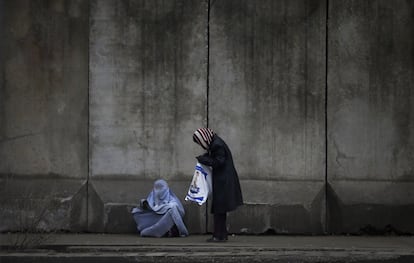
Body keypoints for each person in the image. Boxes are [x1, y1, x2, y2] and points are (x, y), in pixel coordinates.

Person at [193, 128, 243, 242]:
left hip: (223, 181)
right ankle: (221, 235)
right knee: (220, 209)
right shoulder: (216, 142)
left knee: (218, 209)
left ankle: (218, 235)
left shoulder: (217, 145)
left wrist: (203, 159)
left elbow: (218, 162)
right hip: (223, 180)